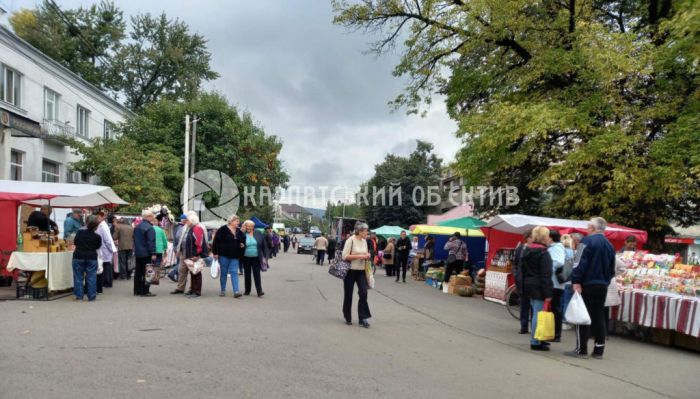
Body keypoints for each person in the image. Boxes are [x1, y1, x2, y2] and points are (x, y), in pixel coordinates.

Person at [565, 217, 616, 359]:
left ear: (593, 228)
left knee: (583, 316)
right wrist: (605, 280)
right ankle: (599, 350)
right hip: (603, 284)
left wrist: (576, 280)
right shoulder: (609, 245)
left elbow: (579, 262)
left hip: (587, 284)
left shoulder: (586, 241)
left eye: (588, 226)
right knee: (599, 315)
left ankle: (581, 349)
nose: (587, 228)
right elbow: (613, 268)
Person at [522, 226, 554, 351]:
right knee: (538, 313)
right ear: (544, 237)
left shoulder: (527, 250)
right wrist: (548, 293)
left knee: (535, 312)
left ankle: (538, 338)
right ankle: (535, 341)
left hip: (528, 283)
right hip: (539, 285)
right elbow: (546, 274)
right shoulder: (544, 253)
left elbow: (523, 269)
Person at [342, 222, 372, 328]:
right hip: (350, 271)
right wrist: (359, 256)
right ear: (360, 231)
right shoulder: (350, 241)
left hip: (361, 271)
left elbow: (365, 254)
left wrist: (367, 256)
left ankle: (362, 318)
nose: (367, 233)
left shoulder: (364, 241)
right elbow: (344, 256)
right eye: (365, 231)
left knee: (363, 293)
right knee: (348, 294)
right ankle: (347, 316)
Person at [212, 215, 245, 298]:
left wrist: (242, 244)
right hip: (223, 255)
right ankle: (223, 290)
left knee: (234, 272)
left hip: (235, 255)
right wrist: (215, 253)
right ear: (231, 221)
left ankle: (236, 291)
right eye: (236, 221)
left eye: (238, 221)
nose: (238, 223)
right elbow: (216, 242)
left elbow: (243, 240)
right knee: (224, 272)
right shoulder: (222, 230)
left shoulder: (239, 231)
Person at [71, 215, 102, 301]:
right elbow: (98, 246)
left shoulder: (80, 232)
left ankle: (79, 296)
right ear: (96, 226)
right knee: (91, 277)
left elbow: (75, 242)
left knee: (78, 277)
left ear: (87, 223)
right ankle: (92, 296)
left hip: (78, 256)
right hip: (91, 256)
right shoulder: (97, 236)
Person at [182, 214, 209, 299]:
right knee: (193, 272)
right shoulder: (193, 228)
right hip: (192, 254)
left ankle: (197, 292)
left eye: (188, 220)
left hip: (195, 254)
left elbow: (199, 243)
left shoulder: (196, 228)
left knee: (196, 273)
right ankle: (193, 290)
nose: (187, 222)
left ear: (192, 221)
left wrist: (197, 255)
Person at [546, 229, 566, 342]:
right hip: (555, 282)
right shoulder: (556, 247)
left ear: (550, 238)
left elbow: (559, 262)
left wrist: (548, 267)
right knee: (554, 308)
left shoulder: (557, 247)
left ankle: (556, 334)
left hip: (555, 282)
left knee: (555, 308)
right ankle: (554, 333)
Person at [513, 229, 534, 334]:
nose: (533, 238)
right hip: (522, 280)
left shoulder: (535, 248)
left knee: (533, 306)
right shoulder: (520, 248)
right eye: (532, 236)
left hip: (532, 281)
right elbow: (515, 263)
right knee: (524, 305)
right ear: (528, 238)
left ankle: (534, 327)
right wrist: (516, 274)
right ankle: (524, 326)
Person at [133, 210, 157, 297]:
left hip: (139, 252)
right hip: (147, 252)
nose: (153, 217)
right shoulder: (149, 228)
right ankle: (145, 290)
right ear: (147, 217)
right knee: (148, 271)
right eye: (151, 216)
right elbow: (151, 242)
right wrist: (153, 253)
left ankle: (137, 290)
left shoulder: (138, 226)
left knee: (138, 272)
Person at [242, 220, 268, 297]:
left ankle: (259, 291)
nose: (248, 228)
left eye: (250, 226)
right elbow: (238, 244)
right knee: (247, 274)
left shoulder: (258, 233)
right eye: (247, 226)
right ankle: (247, 290)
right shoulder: (242, 234)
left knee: (257, 274)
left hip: (256, 257)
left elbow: (264, 244)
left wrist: (265, 256)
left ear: (253, 227)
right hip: (246, 257)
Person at [95, 211, 117, 291]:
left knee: (106, 267)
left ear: (103, 217)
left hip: (106, 249)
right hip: (107, 249)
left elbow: (106, 240)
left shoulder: (102, 226)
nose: (97, 218)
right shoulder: (103, 225)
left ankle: (107, 282)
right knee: (107, 266)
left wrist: (110, 249)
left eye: (98, 216)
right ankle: (108, 282)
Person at [560, 234, 576, 330]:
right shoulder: (574, 253)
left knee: (560, 301)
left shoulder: (560, 252)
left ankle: (559, 320)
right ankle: (565, 321)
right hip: (570, 281)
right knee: (567, 302)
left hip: (559, 280)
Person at [168, 215, 187, 282]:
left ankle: (178, 277)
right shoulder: (181, 227)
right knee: (181, 263)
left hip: (176, 246)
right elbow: (179, 237)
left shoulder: (179, 226)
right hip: (178, 246)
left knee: (179, 262)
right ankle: (172, 273)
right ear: (184, 220)